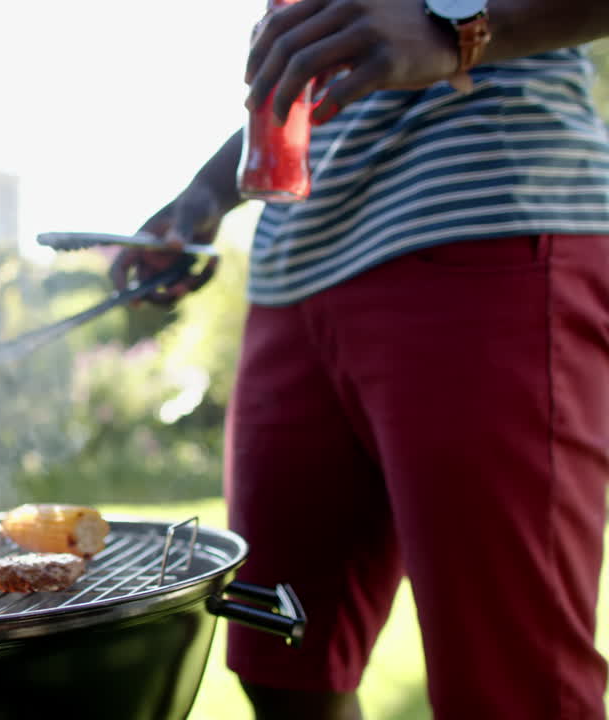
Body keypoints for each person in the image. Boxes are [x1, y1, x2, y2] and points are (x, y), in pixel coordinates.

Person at [112, 1, 609, 717]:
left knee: (510, 689)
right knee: (281, 666)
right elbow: (317, 67)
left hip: (482, 220)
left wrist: (460, 26)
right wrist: (207, 192)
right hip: (295, 271)